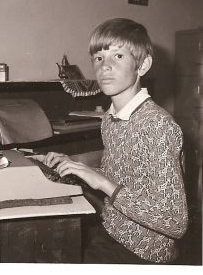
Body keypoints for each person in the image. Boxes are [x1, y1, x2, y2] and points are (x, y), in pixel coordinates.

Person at [39, 18, 188, 264]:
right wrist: (78, 167)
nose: (104, 67)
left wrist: (103, 183)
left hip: (145, 253)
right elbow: (117, 178)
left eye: (118, 56)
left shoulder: (157, 125)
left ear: (143, 65)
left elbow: (175, 222)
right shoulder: (110, 118)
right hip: (111, 233)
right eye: (98, 58)